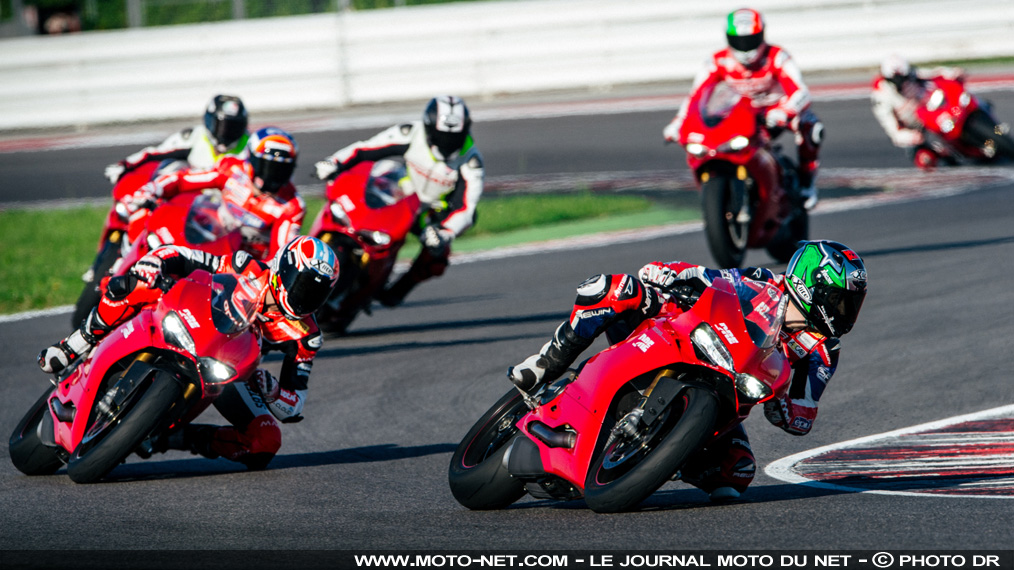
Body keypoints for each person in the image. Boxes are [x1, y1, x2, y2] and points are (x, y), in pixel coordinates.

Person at [508, 240, 867, 501]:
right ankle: (543, 365)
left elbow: (804, 414)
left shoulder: (823, 350)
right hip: (680, 336)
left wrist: (783, 404)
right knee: (614, 289)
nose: (846, 311)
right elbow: (711, 278)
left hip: (728, 392)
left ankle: (658, 458)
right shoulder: (761, 280)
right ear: (811, 285)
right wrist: (670, 274)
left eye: (851, 303)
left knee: (736, 475)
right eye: (841, 300)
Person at [38, 236, 339, 470]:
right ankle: (72, 346)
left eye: (317, 292)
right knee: (131, 285)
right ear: (283, 270)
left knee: (266, 441)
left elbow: (295, 403)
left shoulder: (306, 336)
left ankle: (171, 437)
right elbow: (184, 255)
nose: (306, 298)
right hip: (194, 324)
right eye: (302, 286)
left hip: (231, 371)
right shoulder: (244, 266)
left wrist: (272, 390)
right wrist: (154, 265)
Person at [313, 95, 484, 307]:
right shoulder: (412, 133)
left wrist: (445, 232)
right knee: (354, 195)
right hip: (401, 189)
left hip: (430, 211)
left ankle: (398, 289)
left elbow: (468, 208)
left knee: (437, 254)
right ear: (430, 128)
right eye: (441, 136)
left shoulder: (471, 161)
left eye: (453, 137)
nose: (447, 143)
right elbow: (366, 149)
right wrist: (334, 162)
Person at [663, 8, 823, 209]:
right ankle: (716, 188)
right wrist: (678, 123)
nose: (745, 48)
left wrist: (785, 111)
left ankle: (807, 183)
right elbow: (695, 96)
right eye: (739, 41)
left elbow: (801, 93)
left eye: (751, 40)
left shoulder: (777, 57)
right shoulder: (717, 61)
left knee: (811, 128)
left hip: (775, 112)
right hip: (740, 115)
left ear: (762, 35)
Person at [123, 126, 305, 261]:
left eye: (281, 169)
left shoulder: (292, 206)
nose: (272, 175)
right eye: (267, 166)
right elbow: (183, 179)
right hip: (205, 242)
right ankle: (121, 264)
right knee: (145, 217)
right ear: (251, 159)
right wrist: (153, 189)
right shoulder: (232, 168)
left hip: (238, 268)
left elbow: (279, 257)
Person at [103, 94, 251, 184]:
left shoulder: (250, 146)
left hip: (230, 211)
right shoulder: (194, 136)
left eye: (233, 127)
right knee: (170, 168)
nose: (226, 133)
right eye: (221, 126)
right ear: (209, 121)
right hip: (190, 204)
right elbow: (155, 153)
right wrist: (126, 165)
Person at [872, 55, 966, 169]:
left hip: (933, 113)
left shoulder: (914, 74)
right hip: (913, 129)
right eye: (895, 79)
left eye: (903, 77)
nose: (901, 83)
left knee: (957, 109)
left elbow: (935, 73)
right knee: (925, 160)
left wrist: (951, 73)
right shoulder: (881, 96)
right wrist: (905, 135)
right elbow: (890, 126)